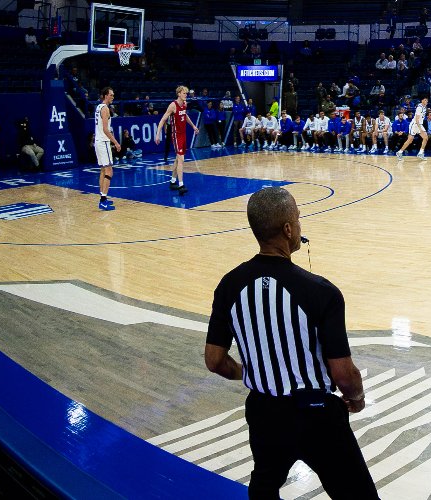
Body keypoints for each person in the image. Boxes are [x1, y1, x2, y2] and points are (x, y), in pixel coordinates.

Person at [204, 186, 379, 499]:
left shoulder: (229, 285)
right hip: (316, 415)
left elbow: (214, 360)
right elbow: (343, 374)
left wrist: (248, 373)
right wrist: (358, 396)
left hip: (263, 413)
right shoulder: (322, 292)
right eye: (298, 219)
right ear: (287, 229)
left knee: (264, 489)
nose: (300, 226)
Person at [155, 85, 200, 195]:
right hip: (175, 135)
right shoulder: (173, 105)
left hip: (183, 134)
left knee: (177, 159)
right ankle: (181, 185)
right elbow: (162, 120)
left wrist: (193, 126)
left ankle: (172, 181)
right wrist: (157, 135)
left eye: (186, 93)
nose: (186, 95)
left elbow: (185, 116)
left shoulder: (185, 104)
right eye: (184, 93)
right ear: (179, 94)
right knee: (181, 158)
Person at [92, 88, 123, 211]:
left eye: (113, 95)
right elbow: (106, 129)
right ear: (105, 96)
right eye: (111, 95)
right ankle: (103, 200)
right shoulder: (105, 109)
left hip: (98, 142)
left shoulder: (98, 107)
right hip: (103, 142)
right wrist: (116, 143)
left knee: (103, 171)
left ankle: (103, 197)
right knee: (109, 171)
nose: (113, 97)